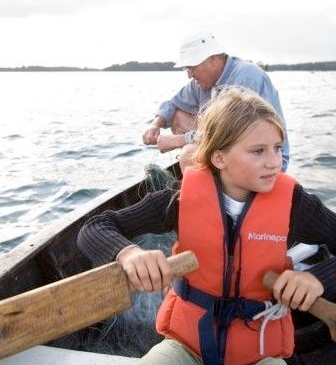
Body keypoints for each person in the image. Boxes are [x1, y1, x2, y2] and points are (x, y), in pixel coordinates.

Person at [78, 87, 336, 365]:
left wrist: (316, 278)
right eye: (258, 151)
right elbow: (95, 227)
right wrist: (129, 254)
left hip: (259, 353)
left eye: (277, 148)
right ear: (219, 157)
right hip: (187, 347)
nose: (274, 162)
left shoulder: (296, 205)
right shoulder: (180, 199)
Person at [142, 31, 290, 172]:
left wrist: (178, 141)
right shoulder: (200, 83)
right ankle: (206, 176)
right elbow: (172, 105)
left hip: (261, 157)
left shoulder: (245, 76)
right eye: (187, 68)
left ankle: (204, 188)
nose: (189, 75)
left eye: (192, 67)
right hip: (230, 146)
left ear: (213, 59)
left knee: (189, 154)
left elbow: (230, 132)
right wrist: (155, 125)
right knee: (177, 115)